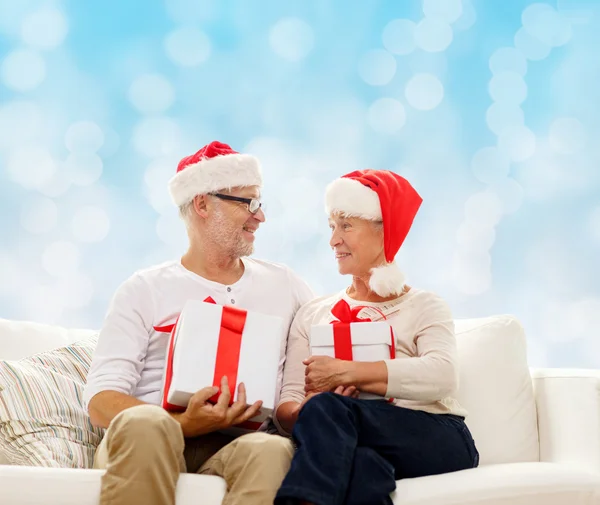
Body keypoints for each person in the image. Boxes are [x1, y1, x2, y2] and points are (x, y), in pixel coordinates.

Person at [83, 141, 315, 505]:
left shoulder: (285, 285)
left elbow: (318, 346)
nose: (261, 216)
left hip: (235, 446)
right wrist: (182, 423)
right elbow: (101, 401)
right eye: (248, 203)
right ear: (203, 204)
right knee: (148, 425)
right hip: (151, 438)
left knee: (271, 450)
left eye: (261, 204)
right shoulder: (145, 288)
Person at [273, 169, 479, 505]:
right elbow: (288, 401)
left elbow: (442, 375)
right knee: (363, 466)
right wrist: (303, 413)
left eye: (346, 225)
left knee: (330, 410)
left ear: (385, 232)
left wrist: (348, 372)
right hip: (350, 437)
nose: (333, 240)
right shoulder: (313, 313)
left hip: (437, 436)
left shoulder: (423, 304)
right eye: (332, 226)